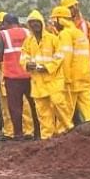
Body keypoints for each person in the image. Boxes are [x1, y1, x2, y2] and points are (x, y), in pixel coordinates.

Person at [20, 9, 67, 138]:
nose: (35, 25)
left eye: (37, 22)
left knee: (60, 107)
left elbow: (59, 56)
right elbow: (23, 56)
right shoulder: (28, 42)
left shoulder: (53, 39)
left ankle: (65, 131)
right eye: (32, 22)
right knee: (42, 111)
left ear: (42, 23)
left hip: (53, 81)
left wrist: (47, 67)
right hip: (38, 83)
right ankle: (47, 137)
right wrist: (27, 64)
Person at [52, 6, 90, 128]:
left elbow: (66, 58)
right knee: (88, 106)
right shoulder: (79, 33)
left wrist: (66, 78)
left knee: (66, 107)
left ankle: (64, 132)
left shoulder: (65, 34)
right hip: (85, 75)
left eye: (53, 21)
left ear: (59, 20)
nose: (53, 25)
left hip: (72, 78)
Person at [0, 13, 35, 140]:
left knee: (15, 107)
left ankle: (18, 134)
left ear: (6, 24)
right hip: (30, 74)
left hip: (12, 76)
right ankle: (37, 132)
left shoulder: (3, 34)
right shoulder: (28, 33)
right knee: (34, 104)